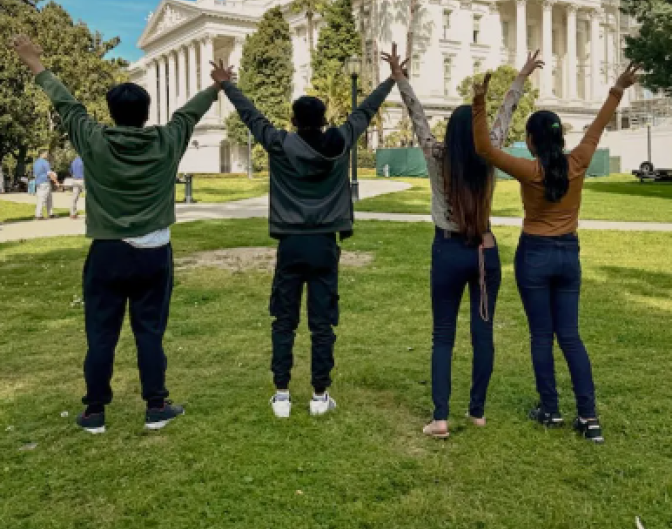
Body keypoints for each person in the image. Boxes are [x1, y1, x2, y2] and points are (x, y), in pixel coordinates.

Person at [12, 35, 222, 435]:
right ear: (146, 113)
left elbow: (66, 104)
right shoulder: (166, 140)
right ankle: (155, 405)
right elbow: (188, 114)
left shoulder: (94, 140)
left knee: (101, 335)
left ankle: (94, 412)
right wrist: (217, 85)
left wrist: (35, 63)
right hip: (154, 253)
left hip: (107, 252)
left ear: (110, 112)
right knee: (150, 333)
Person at [212, 57, 396, 419]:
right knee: (322, 321)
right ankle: (319, 394)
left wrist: (227, 85)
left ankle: (282, 394)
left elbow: (252, 117)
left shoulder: (281, 145)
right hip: (325, 242)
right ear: (325, 119)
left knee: (284, 319)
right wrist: (392, 79)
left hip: (291, 242)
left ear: (294, 121)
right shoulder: (340, 142)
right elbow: (366, 110)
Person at [472, 62, 641, 444]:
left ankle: (550, 409)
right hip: (568, 255)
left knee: (540, 336)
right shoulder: (578, 162)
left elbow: (483, 147)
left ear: (531, 141)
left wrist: (480, 104)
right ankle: (589, 417)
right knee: (570, 337)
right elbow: (598, 126)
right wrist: (617, 88)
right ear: (561, 138)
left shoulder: (527, 169)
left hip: (534, 254)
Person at [384, 44, 543, 439]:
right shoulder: (487, 155)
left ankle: (440, 418)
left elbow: (418, 117)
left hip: (448, 251)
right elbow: (504, 116)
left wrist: (400, 78)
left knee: (443, 335)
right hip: (484, 253)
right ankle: (477, 412)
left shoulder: (436, 156)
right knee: (482, 333)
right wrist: (520, 78)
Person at [33, 150, 58, 220]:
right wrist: (56, 181)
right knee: (42, 199)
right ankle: (38, 215)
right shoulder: (45, 163)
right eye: (46, 154)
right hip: (44, 182)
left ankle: (51, 213)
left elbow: (35, 174)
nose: (47, 155)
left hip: (38, 182)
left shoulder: (36, 163)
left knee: (49, 198)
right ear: (41, 154)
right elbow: (49, 173)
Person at [70, 154, 85, 219]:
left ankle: (73, 213)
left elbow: (70, 171)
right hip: (82, 180)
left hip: (75, 180)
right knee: (88, 197)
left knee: (74, 198)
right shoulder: (83, 161)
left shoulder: (73, 161)